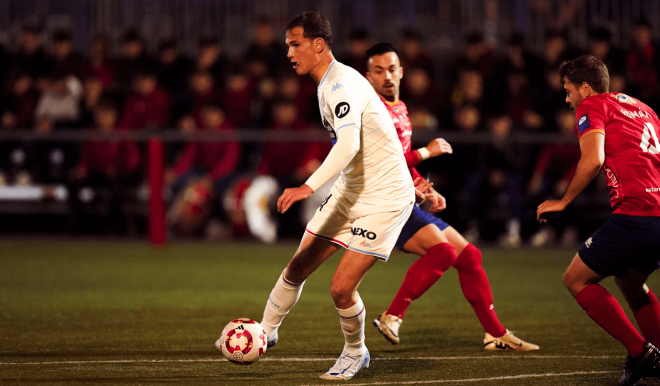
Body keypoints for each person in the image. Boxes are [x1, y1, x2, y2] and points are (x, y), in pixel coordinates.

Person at [241, 12, 417, 380]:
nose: (289, 52)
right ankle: (265, 331)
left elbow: (349, 144)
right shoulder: (325, 85)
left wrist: (307, 185)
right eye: (287, 45)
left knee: (340, 288)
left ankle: (356, 353)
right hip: (351, 190)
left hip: (384, 197)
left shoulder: (340, 84)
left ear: (318, 44)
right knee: (298, 265)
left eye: (295, 44)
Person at [365, 43, 538, 351]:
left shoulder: (400, 108)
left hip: (403, 197)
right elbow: (382, 160)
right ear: (368, 78)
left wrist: (425, 186)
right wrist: (426, 152)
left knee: (470, 256)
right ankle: (392, 316)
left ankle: (495, 334)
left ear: (401, 72)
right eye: (378, 71)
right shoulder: (373, 112)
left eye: (392, 69)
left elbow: (401, 159)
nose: (387, 76)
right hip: (382, 202)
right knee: (443, 253)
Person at [537, 55, 660, 386]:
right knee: (631, 284)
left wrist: (563, 201)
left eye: (568, 91)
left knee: (575, 279)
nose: (567, 99)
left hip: (635, 214)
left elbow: (593, 159)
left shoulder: (592, 106)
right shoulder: (644, 108)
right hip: (657, 214)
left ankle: (640, 353)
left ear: (586, 88)